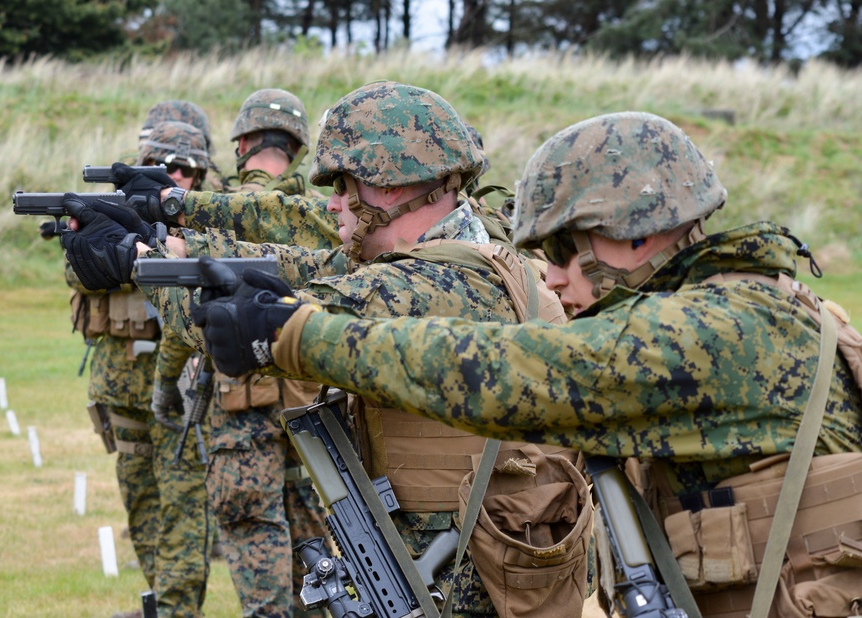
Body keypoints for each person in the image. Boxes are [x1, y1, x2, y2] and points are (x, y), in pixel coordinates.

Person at [191, 111, 862, 617]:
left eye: (567, 251)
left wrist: (297, 336)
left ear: (639, 230)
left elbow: (523, 375)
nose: (558, 280)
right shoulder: (752, 305)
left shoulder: (717, 328)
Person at [61, 81, 595, 617]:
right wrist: (170, 246)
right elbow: (299, 264)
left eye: (344, 184)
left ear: (392, 185)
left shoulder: (426, 287)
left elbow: (252, 324)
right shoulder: (480, 246)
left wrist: (136, 262)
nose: (334, 203)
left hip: (456, 589)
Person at [127, 87, 338, 618]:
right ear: (297, 146)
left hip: (240, 407)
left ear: (242, 141)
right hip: (313, 404)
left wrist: (162, 392)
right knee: (316, 541)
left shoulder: (227, 215)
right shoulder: (323, 213)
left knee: (251, 527)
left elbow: (188, 320)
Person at [65, 117, 214, 618]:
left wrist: (167, 241)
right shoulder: (112, 212)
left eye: (185, 168)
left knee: (184, 505)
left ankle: (177, 610)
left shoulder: (211, 224)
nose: (173, 176)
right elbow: (78, 270)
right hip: (122, 383)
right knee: (141, 501)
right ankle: (163, 603)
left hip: (183, 386)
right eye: (162, 165)